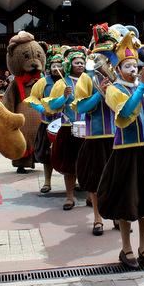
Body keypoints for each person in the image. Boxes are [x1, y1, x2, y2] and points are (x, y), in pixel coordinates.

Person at [97, 32, 144, 269]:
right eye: (127, 65)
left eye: (134, 65)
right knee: (127, 202)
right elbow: (127, 112)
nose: (132, 69)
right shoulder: (113, 90)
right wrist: (142, 88)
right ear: (118, 69)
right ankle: (126, 248)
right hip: (126, 151)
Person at [72, 24, 118, 236]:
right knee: (96, 178)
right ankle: (98, 218)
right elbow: (81, 107)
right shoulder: (86, 78)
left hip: (119, 135)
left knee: (118, 178)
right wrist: (100, 93)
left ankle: (117, 215)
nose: (105, 59)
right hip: (96, 135)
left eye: (108, 54)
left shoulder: (120, 74)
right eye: (100, 55)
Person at [43, 46, 87, 210]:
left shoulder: (89, 80)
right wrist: (64, 97)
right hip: (68, 128)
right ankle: (70, 197)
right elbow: (52, 105)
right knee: (70, 165)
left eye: (82, 62)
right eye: (77, 62)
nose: (80, 65)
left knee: (88, 164)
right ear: (70, 65)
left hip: (88, 129)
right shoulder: (62, 83)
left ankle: (91, 195)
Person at [24, 44, 65, 193]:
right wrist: (41, 108)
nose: (57, 68)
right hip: (47, 124)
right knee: (47, 156)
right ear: (49, 67)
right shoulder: (42, 82)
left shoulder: (68, 81)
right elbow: (32, 98)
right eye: (54, 65)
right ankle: (47, 182)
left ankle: (75, 180)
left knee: (71, 153)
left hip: (66, 124)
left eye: (60, 65)